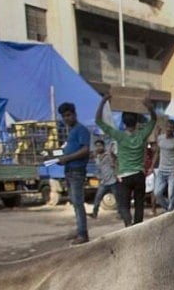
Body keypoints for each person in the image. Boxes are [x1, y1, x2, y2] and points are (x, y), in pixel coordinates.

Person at [95, 96, 156, 226]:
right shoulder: (142, 135)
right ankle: (138, 227)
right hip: (139, 175)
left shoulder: (119, 135)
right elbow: (154, 120)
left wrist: (102, 102)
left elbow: (98, 121)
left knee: (123, 205)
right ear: (136, 122)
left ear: (123, 122)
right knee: (139, 204)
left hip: (124, 177)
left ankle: (128, 223)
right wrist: (150, 108)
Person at [56, 102, 92, 244]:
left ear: (75, 114)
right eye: (64, 116)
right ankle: (79, 229)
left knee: (78, 202)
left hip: (77, 171)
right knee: (74, 202)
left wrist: (67, 158)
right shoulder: (70, 131)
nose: (67, 118)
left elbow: (85, 150)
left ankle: (83, 234)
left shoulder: (81, 129)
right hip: (69, 170)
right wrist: (61, 158)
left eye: (69, 115)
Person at [153, 120, 174, 212]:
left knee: (171, 193)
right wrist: (152, 166)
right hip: (161, 170)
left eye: (171, 127)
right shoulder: (161, 138)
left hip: (172, 170)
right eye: (167, 127)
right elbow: (157, 152)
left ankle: (170, 210)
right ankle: (168, 207)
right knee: (157, 193)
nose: (169, 129)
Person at [90, 139, 117, 219]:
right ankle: (94, 213)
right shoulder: (97, 157)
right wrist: (98, 177)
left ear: (103, 146)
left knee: (118, 199)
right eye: (97, 146)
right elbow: (98, 169)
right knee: (97, 198)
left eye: (100, 146)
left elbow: (115, 161)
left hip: (112, 180)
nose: (98, 148)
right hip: (104, 181)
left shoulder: (108, 155)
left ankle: (121, 214)